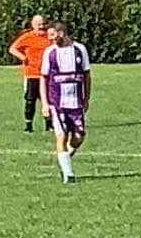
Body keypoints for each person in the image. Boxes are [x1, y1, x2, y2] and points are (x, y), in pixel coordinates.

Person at [38, 21, 91, 183]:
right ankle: (68, 175)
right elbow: (43, 78)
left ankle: (65, 157)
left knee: (79, 136)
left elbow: (87, 75)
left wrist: (87, 98)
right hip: (57, 101)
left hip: (76, 102)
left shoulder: (80, 50)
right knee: (61, 136)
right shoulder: (50, 52)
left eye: (52, 35)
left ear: (61, 33)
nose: (50, 39)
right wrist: (45, 103)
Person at [7, 15, 54, 131]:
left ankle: (50, 124)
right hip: (32, 73)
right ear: (33, 25)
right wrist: (23, 57)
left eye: (43, 24)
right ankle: (28, 125)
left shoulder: (49, 37)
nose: (41, 27)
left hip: (47, 74)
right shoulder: (27, 37)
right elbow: (12, 49)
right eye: (39, 25)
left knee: (48, 100)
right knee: (30, 100)